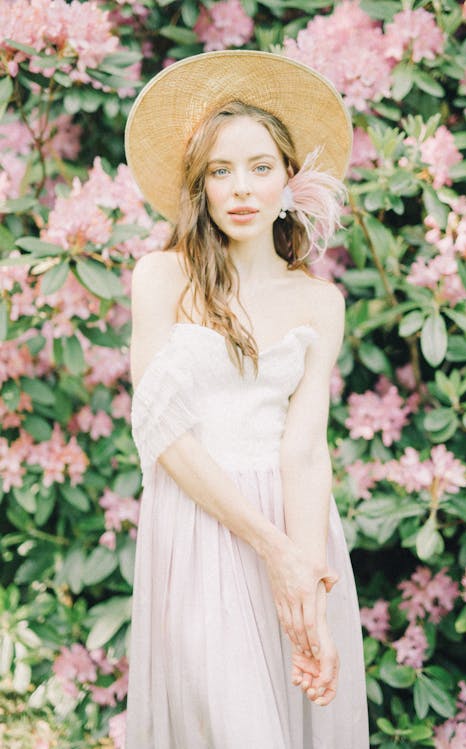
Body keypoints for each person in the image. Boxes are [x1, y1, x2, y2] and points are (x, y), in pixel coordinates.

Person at [124, 50, 369, 748]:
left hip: (294, 534)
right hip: (200, 525)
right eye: (220, 170)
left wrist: (308, 582)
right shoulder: (161, 278)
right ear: (198, 184)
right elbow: (162, 431)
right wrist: (272, 548)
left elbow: (303, 448)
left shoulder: (319, 302)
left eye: (261, 167)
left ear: (290, 177)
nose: (241, 188)